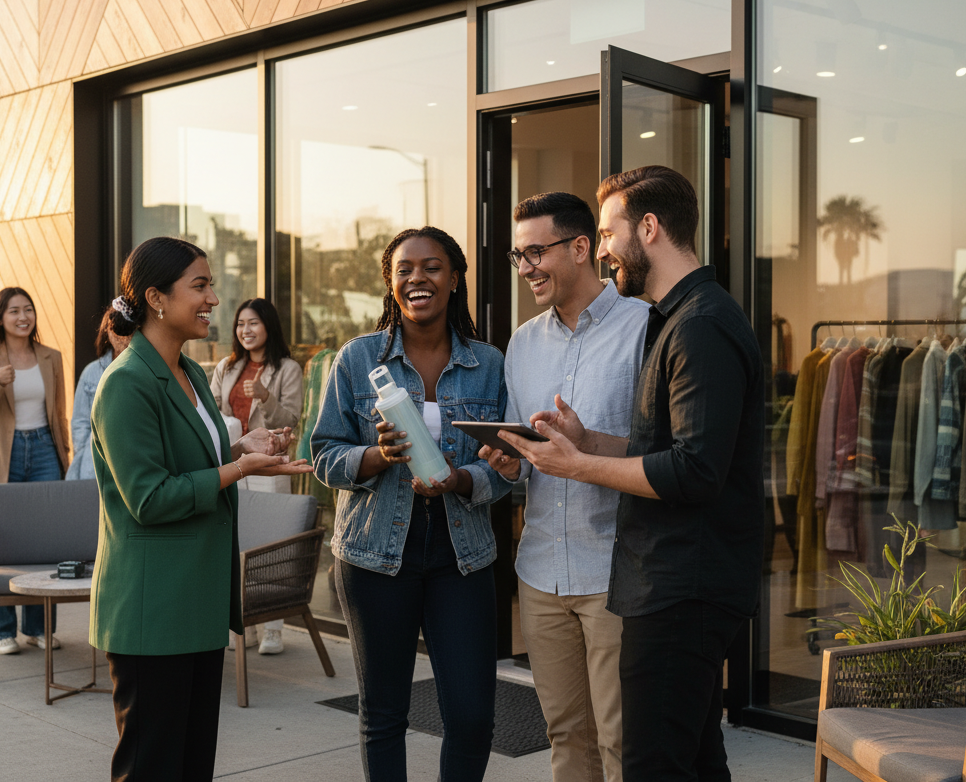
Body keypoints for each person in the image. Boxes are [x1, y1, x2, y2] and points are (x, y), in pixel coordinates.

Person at [505, 166, 765, 782]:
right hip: (649, 581)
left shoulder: (693, 324)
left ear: (648, 228)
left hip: (673, 586)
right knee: (692, 761)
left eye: (606, 232)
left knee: (647, 762)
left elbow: (695, 470)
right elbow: (665, 446)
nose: (602, 248)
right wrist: (584, 440)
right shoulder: (680, 316)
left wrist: (579, 462)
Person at [90, 236, 314, 782]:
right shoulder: (125, 385)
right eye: (201, 285)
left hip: (195, 603)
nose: (215, 298)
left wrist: (243, 448)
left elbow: (193, 459)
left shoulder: (189, 373)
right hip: (153, 611)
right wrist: (238, 471)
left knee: (192, 767)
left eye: (211, 284)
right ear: (156, 298)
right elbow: (150, 497)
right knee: (152, 768)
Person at [312, 226, 511, 782]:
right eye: (404, 269)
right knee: (383, 716)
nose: (416, 278)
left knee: (472, 718)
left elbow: (507, 467)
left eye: (431, 267)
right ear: (390, 284)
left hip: (462, 555)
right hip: (375, 556)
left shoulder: (489, 364)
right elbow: (324, 456)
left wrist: (462, 481)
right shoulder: (356, 360)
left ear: (454, 278)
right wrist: (376, 457)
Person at [480, 192, 648, 782]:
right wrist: (510, 464)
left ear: (582, 248)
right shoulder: (522, 343)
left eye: (535, 252)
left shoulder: (646, 329)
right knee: (565, 734)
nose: (525, 268)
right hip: (541, 569)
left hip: (616, 571)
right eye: (517, 255)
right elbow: (526, 456)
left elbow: (664, 455)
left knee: (623, 739)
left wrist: (586, 445)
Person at [0, 286, 70, 654]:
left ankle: (39, 627)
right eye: (14, 311)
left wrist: (64, 454)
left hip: (44, 447)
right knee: (1, 542)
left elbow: (58, 412)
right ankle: (3, 632)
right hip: (2, 455)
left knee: (45, 541)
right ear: (0, 317)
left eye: (28, 309)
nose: (23, 317)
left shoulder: (50, 356)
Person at [211, 297, 303, 655]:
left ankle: (274, 628)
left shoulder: (287, 369)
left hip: (270, 464)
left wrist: (264, 396)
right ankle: (243, 625)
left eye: (253, 323)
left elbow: (292, 419)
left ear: (268, 327)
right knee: (239, 539)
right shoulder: (227, 366)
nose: (245, 331)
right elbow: (216, 414)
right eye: (240, 324)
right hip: (234, 462)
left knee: (271, 541)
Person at [68, 307, 131, 479]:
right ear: (107, 331)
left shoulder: (143, 370)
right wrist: (84, 453)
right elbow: (80, 421)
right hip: (94, 464)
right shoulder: (92, 372)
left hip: (130, 462)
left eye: (129, 331)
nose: (123, 338)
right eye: (117, 331)